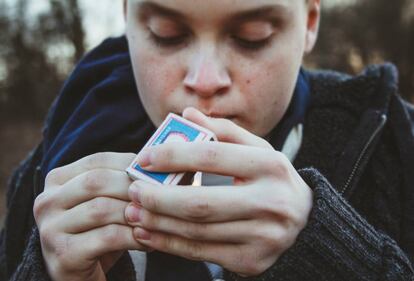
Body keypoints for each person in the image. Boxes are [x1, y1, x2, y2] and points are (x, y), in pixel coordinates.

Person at [1, 0, 413, 280]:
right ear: (127, 19)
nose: (205, 80)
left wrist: (329, 250)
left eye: (253, 36)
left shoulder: (398, 142)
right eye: (166, 34)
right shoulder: (47, 172)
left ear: (308, 22)